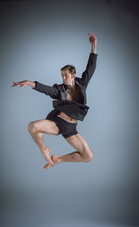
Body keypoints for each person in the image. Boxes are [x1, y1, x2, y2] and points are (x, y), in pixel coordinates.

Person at [11, 32, 97, 170]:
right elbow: (46, 90)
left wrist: (93, 46)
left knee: (88, 156)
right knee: (32, 127)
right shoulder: (59, 90)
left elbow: (90, 69)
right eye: (62, 75)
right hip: (57, 123)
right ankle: (43, 150)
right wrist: (29, 82)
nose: (63, 78)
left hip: (71, 129)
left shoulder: (82, 84)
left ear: (73, 75)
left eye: (66, 75)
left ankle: (58, 159)